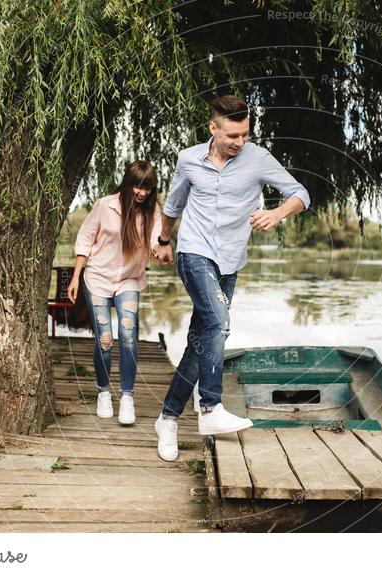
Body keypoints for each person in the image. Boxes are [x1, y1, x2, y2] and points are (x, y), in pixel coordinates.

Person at [153, 95, 310, 461]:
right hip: (193, 252)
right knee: (219, 323)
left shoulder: (257, 159)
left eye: (245, 135)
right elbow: (173, 206)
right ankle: (210, 409)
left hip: (230, 261)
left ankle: (168, 418)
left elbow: (300, 193)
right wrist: (163, 241)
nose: (240, 142)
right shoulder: (188, 159)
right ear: (214, 128)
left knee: (201, 341)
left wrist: (277, 213)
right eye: (233, 136)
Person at [67, 161, 162, 425]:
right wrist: (76, 277)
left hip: (129, 280)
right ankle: (104, 391)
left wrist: (160, 251)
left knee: (129, 334)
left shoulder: (152, 211)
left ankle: (128, 396)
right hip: (97, 278)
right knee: (105, 338)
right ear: (127, 183)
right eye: (137, 186)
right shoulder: (104, 206)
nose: (141, 193)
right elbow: (85, 239)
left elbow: (156, 240)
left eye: (147, 188)